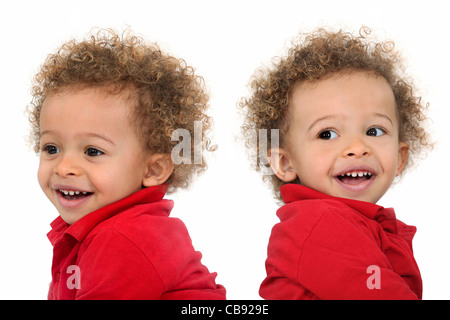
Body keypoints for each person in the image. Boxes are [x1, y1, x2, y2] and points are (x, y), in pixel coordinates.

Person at [27, 29, 225, 300]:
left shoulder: (121, 239)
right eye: (52, 148)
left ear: (153, 169)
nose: (64, 167)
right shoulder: (99, 230)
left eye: (93, 151)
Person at [240, 27, 432, 299]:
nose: (357, 148)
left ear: (400, 157)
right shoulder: (319, 225)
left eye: (374, 131)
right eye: (327, 134)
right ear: (285, 162)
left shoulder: (363, 225)